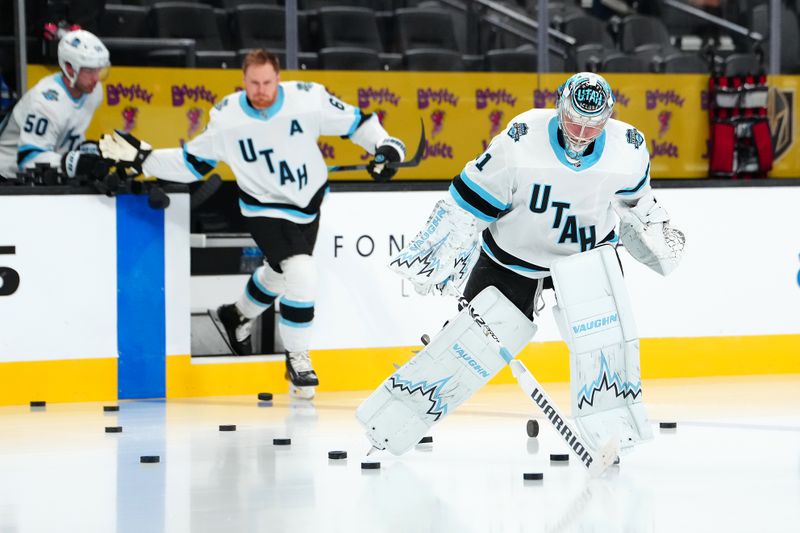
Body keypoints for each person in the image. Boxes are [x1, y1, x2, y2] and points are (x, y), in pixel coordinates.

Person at [371, 72, 685, 455]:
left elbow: (639, 204)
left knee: (607, 348)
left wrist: (656, 231)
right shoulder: (520, 141)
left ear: (608, 120)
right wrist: (434, 252)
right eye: (574, 122)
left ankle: (613, 432)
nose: (582, 134)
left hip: (586, 261)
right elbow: (466, 202)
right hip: (511, 258)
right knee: (466, 343)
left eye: (593, 126)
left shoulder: (629, 149)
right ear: (560, 108)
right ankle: (400, 420)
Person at [98, 49, 406, 400]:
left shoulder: (308, 99)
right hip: (264, 210)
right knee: (302, 274)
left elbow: (359, 123)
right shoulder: (227, 118)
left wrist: (385, 145)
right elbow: (193, 163)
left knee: (279, 273)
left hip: (310, 204)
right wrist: (145, 159)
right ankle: (298, 358)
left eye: (268, 82)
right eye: (254, 83)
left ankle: (235, 315)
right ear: (243, 81)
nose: (261, 90)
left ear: (278, 78)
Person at [0, 29, 110, 181]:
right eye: (89, 70)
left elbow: (68, 130)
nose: (96, 78)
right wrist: (70, 163)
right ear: (70, 68)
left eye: (98, 70)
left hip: (45, 175)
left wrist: (85, 150)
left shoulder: (93, 91)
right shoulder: (45, 102)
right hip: (7, 177)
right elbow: (28, 159)